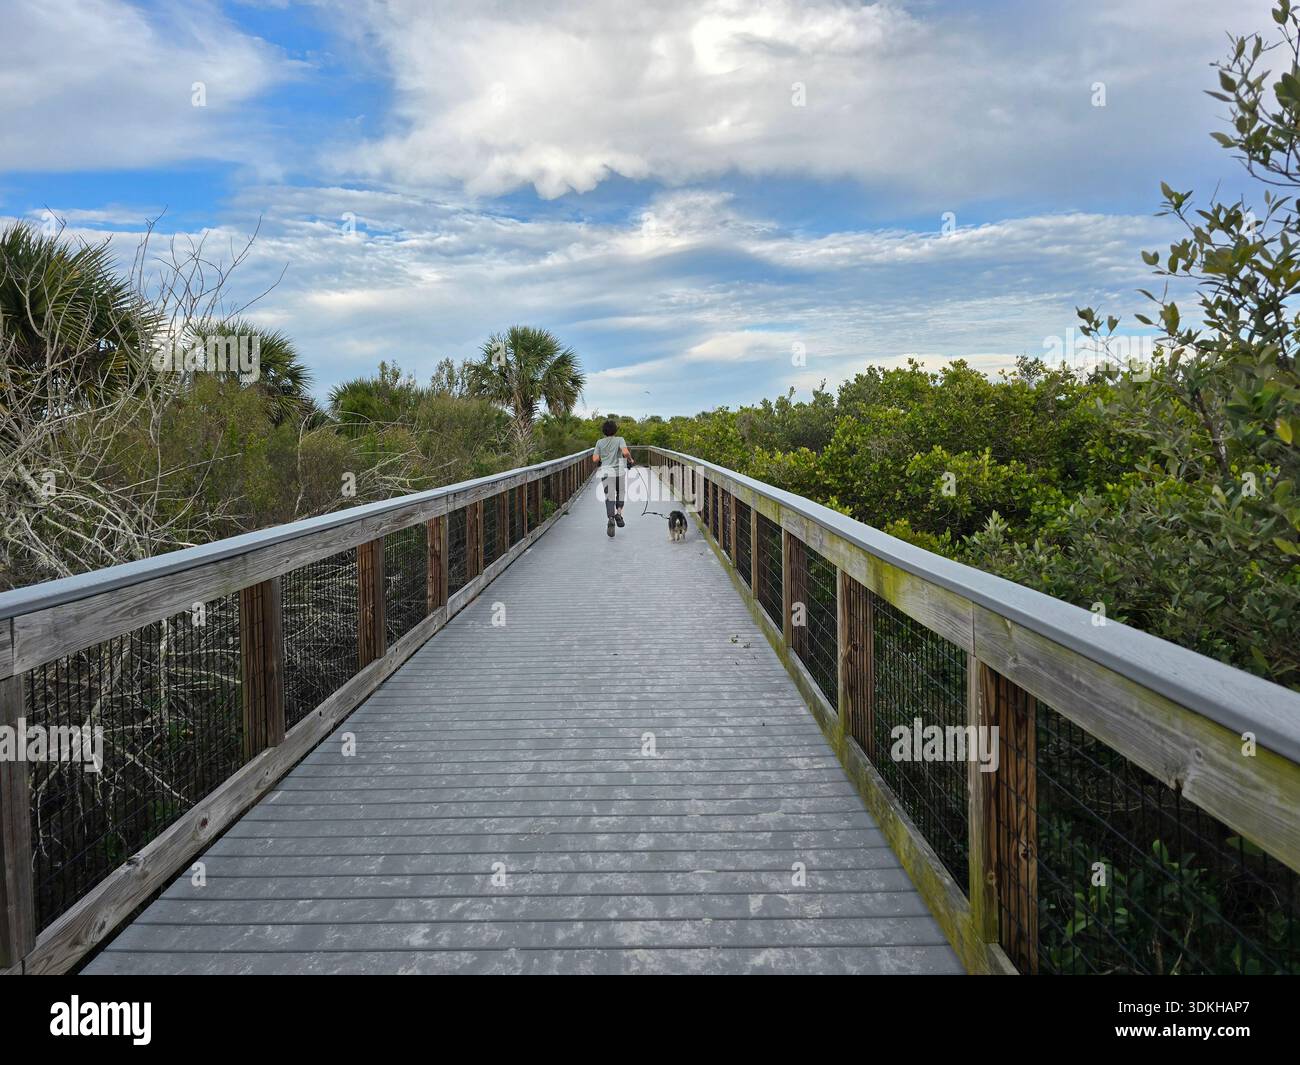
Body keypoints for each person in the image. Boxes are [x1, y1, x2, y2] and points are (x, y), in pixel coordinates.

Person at [591, 419, 634, 537]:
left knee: (609, 496)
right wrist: (630, 460)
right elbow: (625, 453)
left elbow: (595, 459)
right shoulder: (620, 439)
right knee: (620, 492)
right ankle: (619, 514)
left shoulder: (599, 442)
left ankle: (611, 518)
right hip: (619, 471)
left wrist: (601, 460)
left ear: (604, 431)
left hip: (605, 472)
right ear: (615, 430)